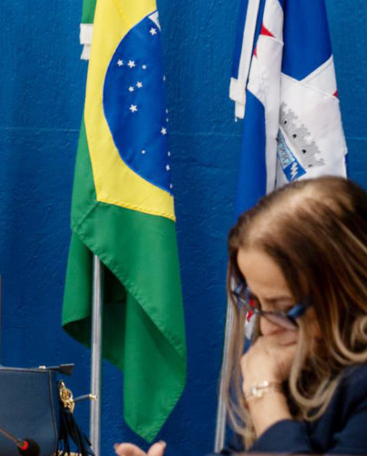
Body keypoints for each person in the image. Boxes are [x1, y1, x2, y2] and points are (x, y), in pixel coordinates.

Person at [114, 176, 367, 456]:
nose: (267, 327)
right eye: (256, 302)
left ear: (348, 288)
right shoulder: (304, 359)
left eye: (283, 308)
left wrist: (264, 393)